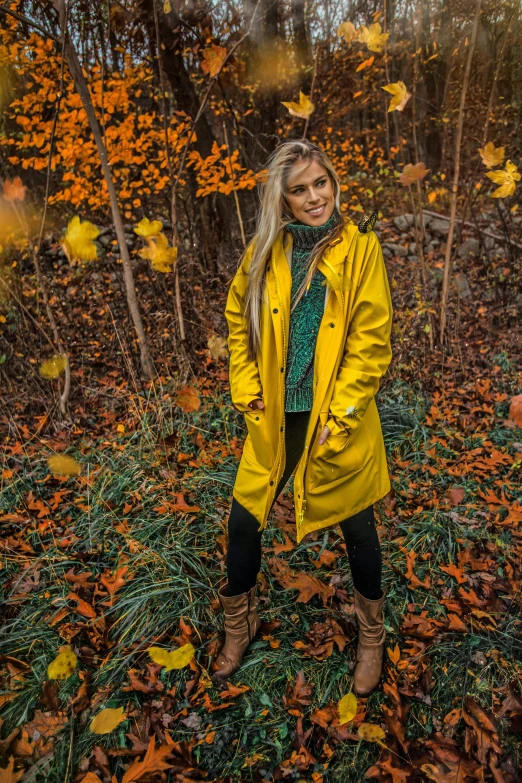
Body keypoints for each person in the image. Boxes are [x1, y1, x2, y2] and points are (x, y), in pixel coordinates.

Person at [212, 139, 393, 696]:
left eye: (321, 183)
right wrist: (246, 389)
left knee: (357, 528)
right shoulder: (266, 251)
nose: (315, 197)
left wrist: (339, 417)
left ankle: (371, 638)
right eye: (300, 189)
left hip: (336, 418)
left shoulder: (361, 250)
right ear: (282, 200)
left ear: (334, 183)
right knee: (244, 522)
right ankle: (239, 627)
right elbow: (239, 321)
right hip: (276, 418)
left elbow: (370, 342)